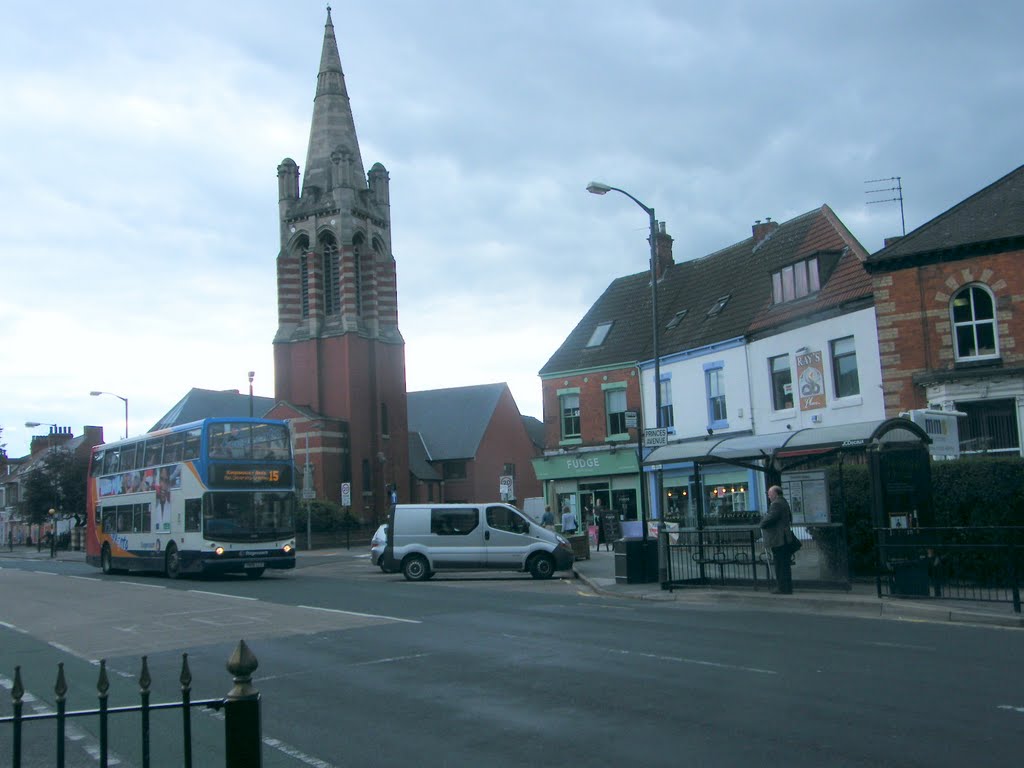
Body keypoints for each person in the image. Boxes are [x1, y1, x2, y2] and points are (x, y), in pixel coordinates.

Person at [760, 485, 794, 594]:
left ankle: (782, 587)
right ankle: (787, 587)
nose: (769, 497)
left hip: (779, 538)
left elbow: (770, 518)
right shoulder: (783, 502)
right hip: (784, 537)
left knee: (780, 564)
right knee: (785, 564)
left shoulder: (776, 504)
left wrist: (762, 523)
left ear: (775, 494)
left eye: (770, 494)